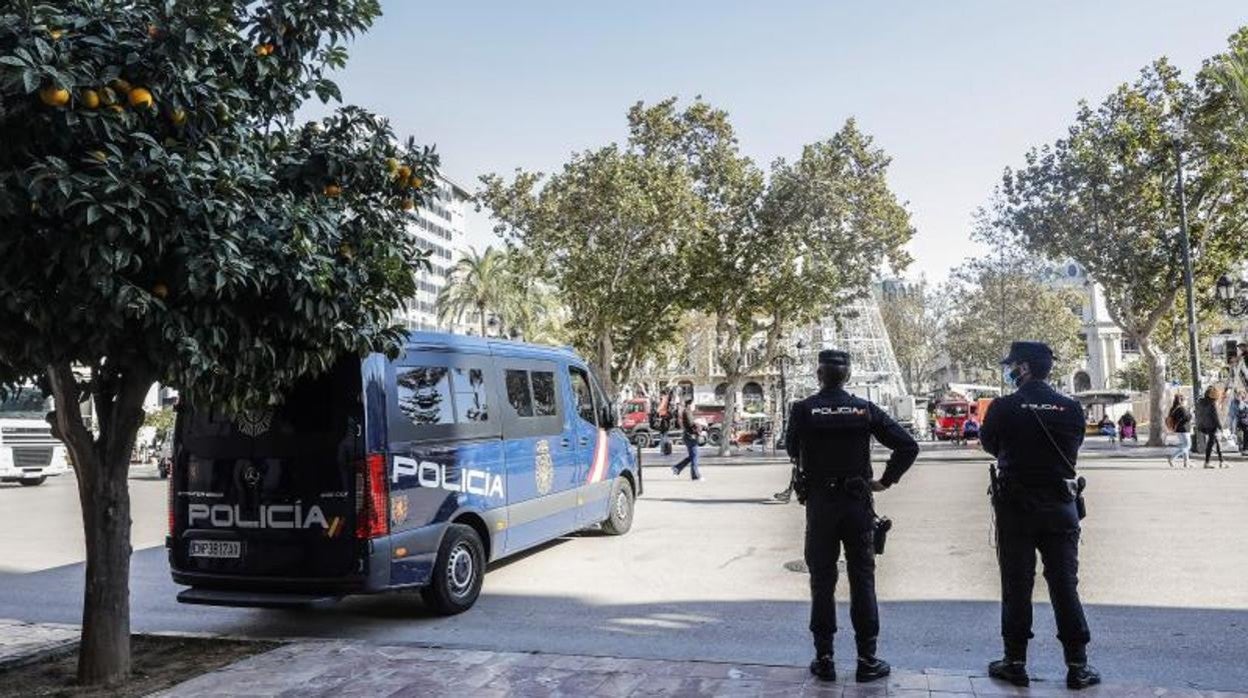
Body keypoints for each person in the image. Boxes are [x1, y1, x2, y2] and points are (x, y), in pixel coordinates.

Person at [785, 350, 919, 684]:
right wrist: (886, 481)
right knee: (863, 580)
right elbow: (907, 445)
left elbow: (790, 449)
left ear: (819, 375)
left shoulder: (803, 410)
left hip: (820, 505)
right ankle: (867, 659)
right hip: (858, 501)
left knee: (821, 581)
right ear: (848, 376)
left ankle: (825, 658)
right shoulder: (864, 409)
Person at [979, 341, 1100, 690]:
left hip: (1015, 506)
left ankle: (1015, 662)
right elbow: (1072, 448)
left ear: (1025, 368)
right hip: (1061, 505)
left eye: (1012, 365)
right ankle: (1078, 665)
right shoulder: (1071, 408)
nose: (1009, 371)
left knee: (1016, 585)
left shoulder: (1004, 407)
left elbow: (990, 444)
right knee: (1065, 584)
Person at [670, 396, 703, 480]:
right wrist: (700, 426)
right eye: (693, 404)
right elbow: (691, 424)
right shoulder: (687, 412)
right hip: (690, 437)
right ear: (690, 404)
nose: (694, 406)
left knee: (692, 456)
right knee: (694, 456)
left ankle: (677, 468)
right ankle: (695, 476)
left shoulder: (688, 412)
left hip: (688, 436)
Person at [1195, 386, 1224, 469]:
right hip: (1212, 426)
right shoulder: (1212, 404)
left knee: (1216, 442)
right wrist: (1220, 426)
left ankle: (1222, 461)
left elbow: (1199, 415)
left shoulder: (1200, 402)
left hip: (1205, 426)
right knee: (1211, 444)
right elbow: (1216, 417)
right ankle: (1207, 462)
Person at [1166, 394, 1192, 468]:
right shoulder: (1182, 409)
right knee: (1187, 446)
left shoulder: (1173, 408)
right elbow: (1187, 418)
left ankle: (1186, 462)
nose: (1186, 401)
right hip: (1184, 429)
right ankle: (1172, 458)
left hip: (1177, 429)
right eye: (1185, 400)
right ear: (1182, 401)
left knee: (1184, 445)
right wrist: (1190, 413)